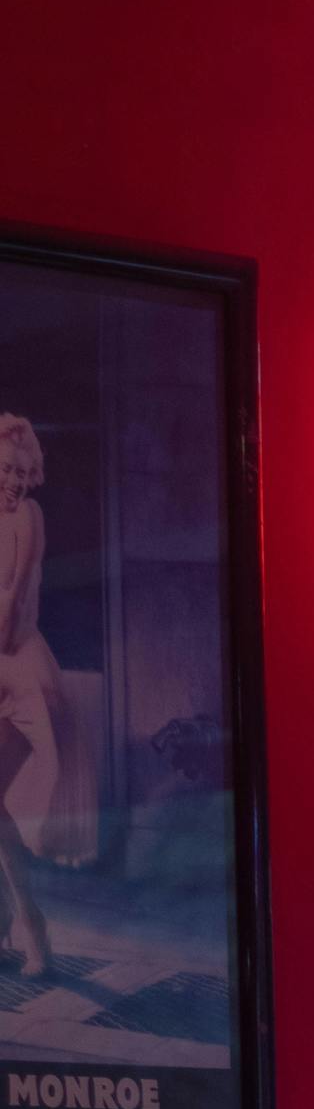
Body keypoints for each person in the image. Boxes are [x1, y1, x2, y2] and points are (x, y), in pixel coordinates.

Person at [0, 415, 57, 979]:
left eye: (21, 470)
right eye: (5, 470)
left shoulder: (27, 517)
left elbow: (13, 604)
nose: (14, 480)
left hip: (19, 674)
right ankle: (23, 924)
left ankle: (30, 924)